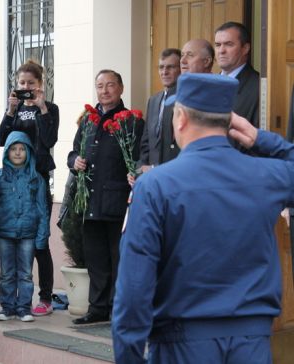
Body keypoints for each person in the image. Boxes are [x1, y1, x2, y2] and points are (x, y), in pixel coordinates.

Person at [112, 72, 294, 364]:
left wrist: (129, 356)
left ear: (180, 118)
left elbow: (134, 287)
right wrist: (261, 139)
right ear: (228, 122)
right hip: (252, 344)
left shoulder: (156, 185)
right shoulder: (266, 176)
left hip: (181, 345)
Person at [67, 69, 143, 325]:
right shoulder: (88, 120)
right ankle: (97, 308)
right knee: (96, 259)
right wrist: (73, 160)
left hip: (117, 201)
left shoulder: (130, 121)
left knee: (118, 258)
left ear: (121, 88)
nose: (105, 90)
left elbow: (139, 158)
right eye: (100, 86)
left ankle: (117, 309)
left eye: (111, 85)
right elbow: (74, 151)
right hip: (89, 200)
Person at [0, 60, 59, 316]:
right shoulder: (15, 108)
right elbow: (1, 140)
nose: (26, 87)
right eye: (21, 83)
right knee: (15, 238)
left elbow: (50, 139)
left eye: (31, 83)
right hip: (13, 182)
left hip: (38, 178)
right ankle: (13, 302)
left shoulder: (50, 108)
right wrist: (10, 111)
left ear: (40, 85)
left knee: (39, 241)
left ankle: (44, 297)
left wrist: (41, 107)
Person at [0, 131, 49, 323]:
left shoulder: (36, 179)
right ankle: (7, 307)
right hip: (4, 233)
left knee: (25, 273)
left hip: (28, 234)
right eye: (13, 149)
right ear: (6, 152)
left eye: (22, 149)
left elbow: (42, 209)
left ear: (29, 152)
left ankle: (24, 307)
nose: (17, 153)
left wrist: (42, 236)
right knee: (7, 273)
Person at [132, 48, 181, 186]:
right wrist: (140, 168)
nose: (164, 72)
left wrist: (155, 169)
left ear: (181, 68)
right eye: (161, 67)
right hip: (153, 179)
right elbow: (146, 142)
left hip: (175, 177)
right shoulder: (153, 100)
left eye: (170, 67)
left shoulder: (185, 99)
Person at [215, 21, 260, 127]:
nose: (221, 50)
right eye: (218, 45)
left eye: (228, 44)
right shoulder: (209, 84)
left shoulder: (259, 87)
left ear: (245, 48)